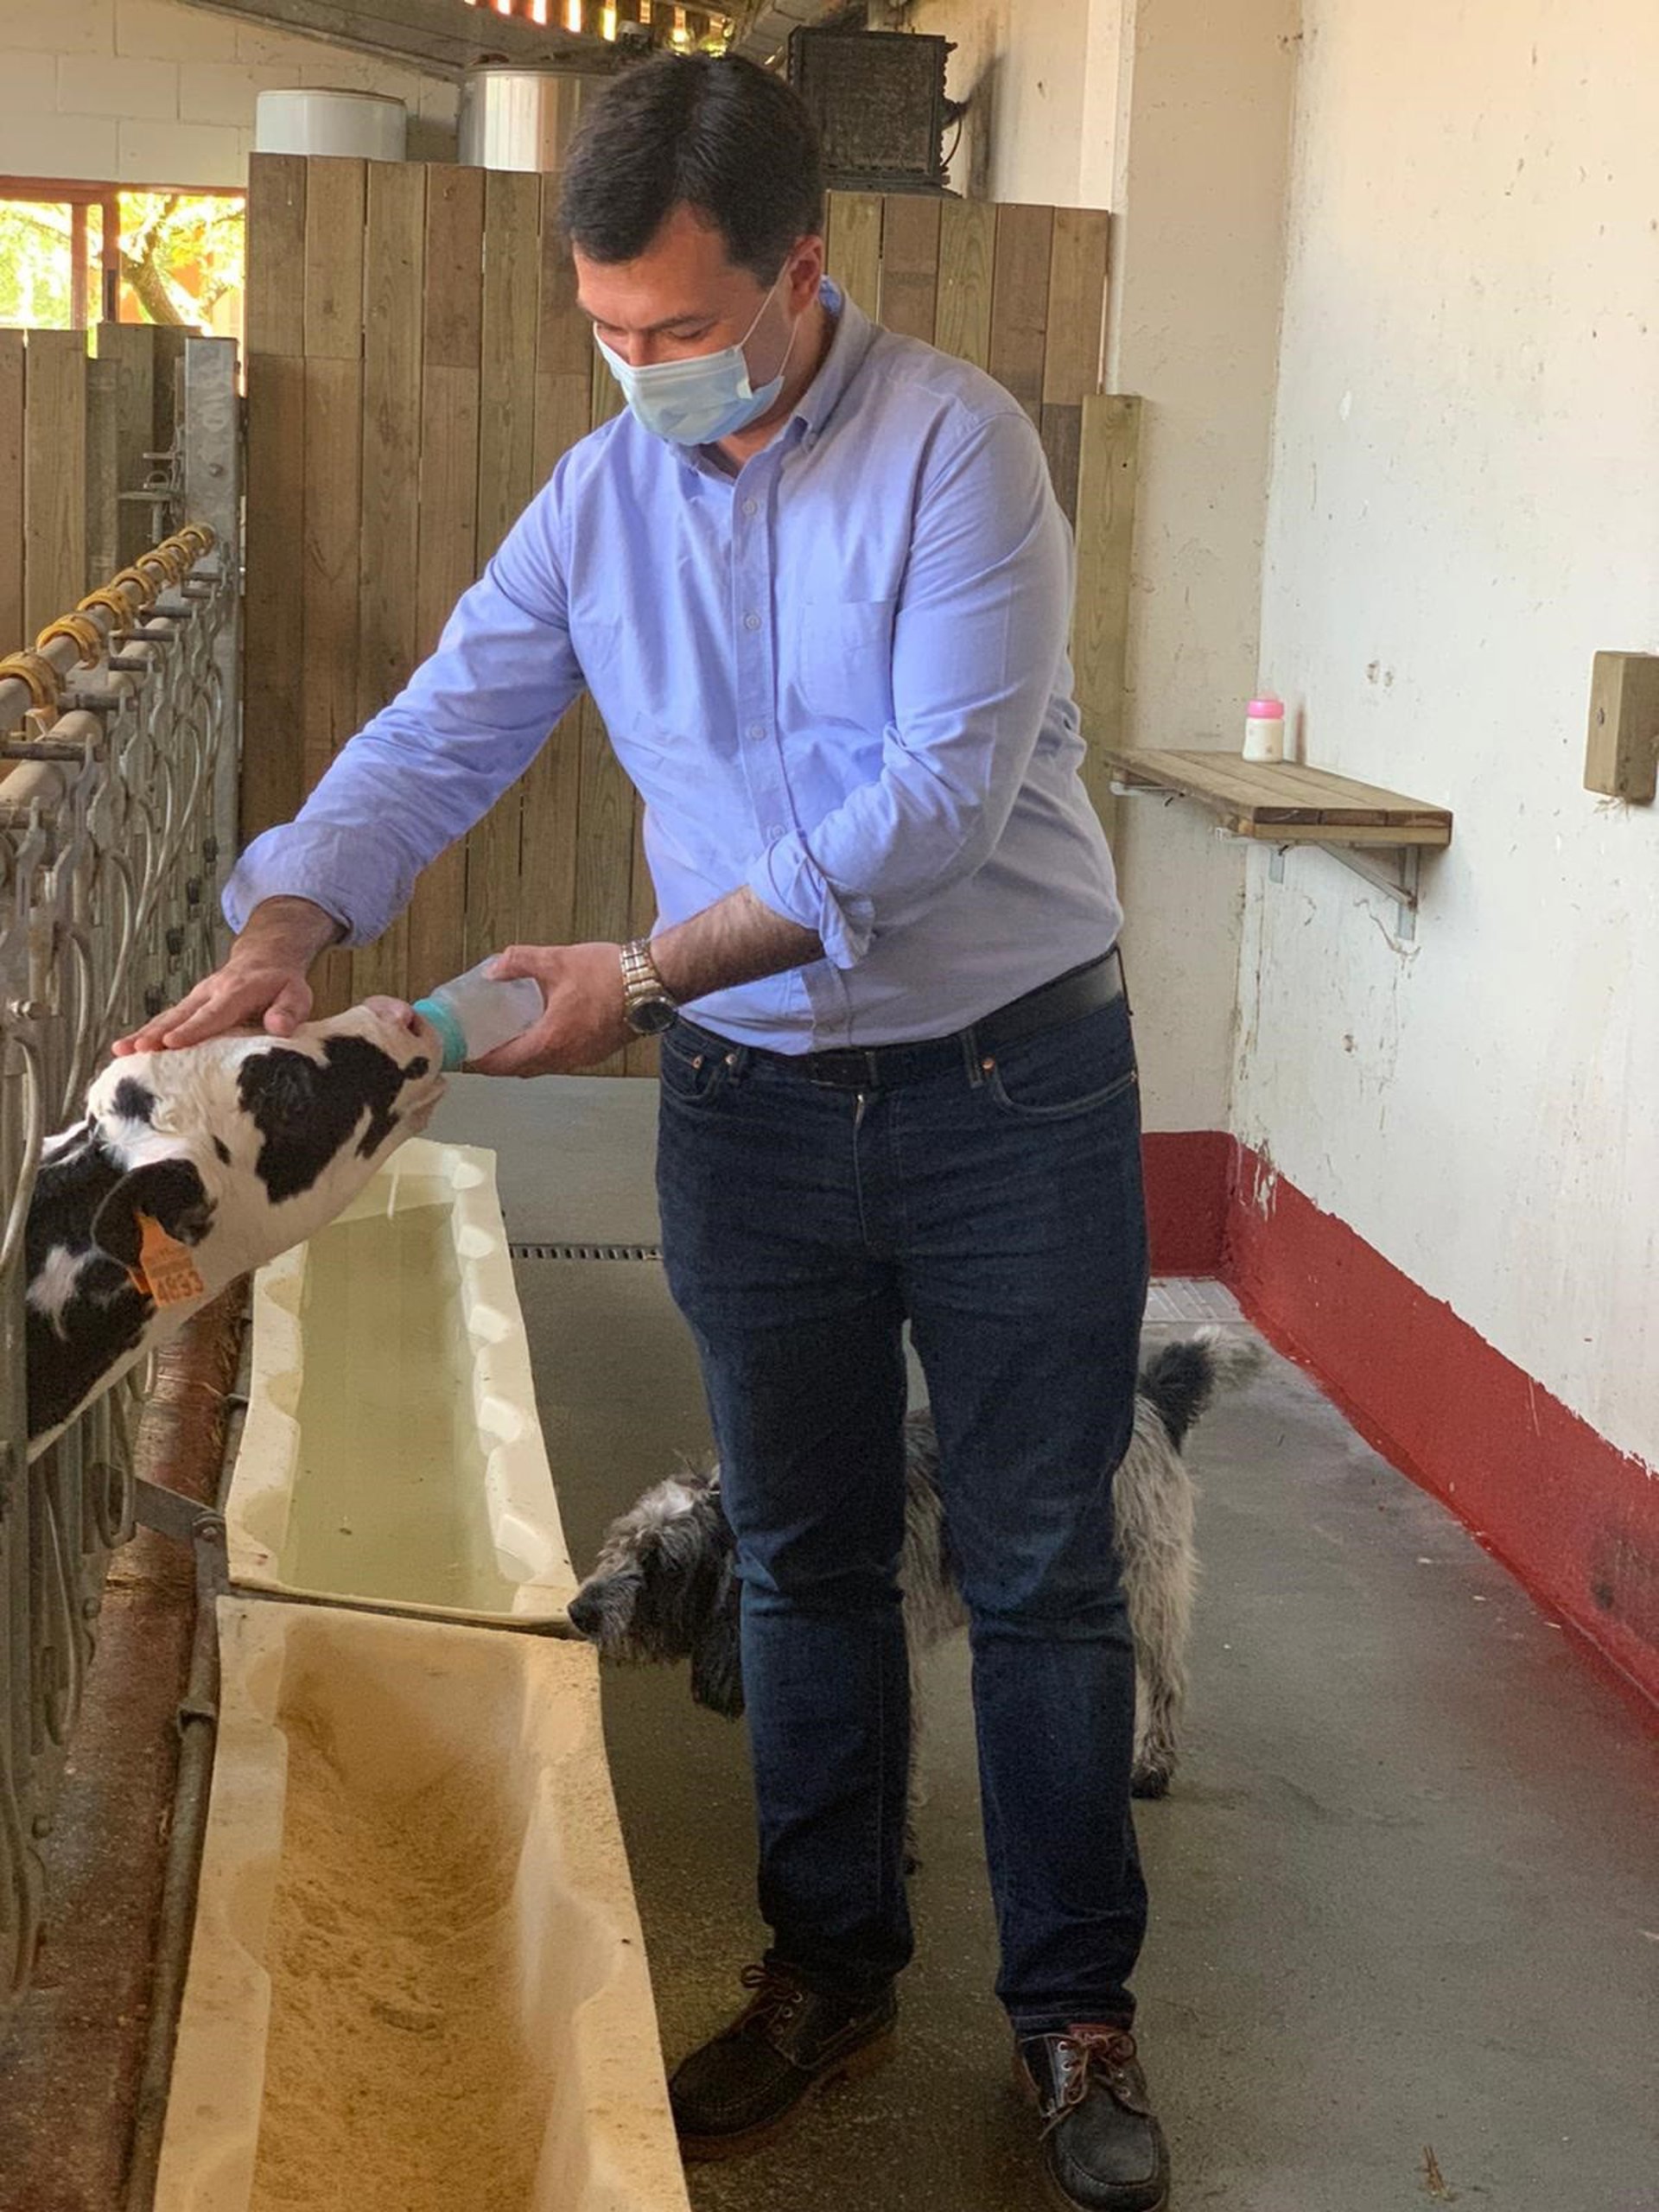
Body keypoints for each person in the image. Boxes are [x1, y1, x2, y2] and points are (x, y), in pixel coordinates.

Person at [123, 54, 1166, 2212]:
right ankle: (826, 1965)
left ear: (803, 272)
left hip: (1009, 1087)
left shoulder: (959, 453)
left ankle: (1076, 2014)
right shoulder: (603, 496)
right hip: (757, 1107)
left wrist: (640, 971)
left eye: (679, 327)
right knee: (797, 1547)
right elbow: (450, 721)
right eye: (607, 328)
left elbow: (931, 806)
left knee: (1041, 1555)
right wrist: (290, 918)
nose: (641, 366)